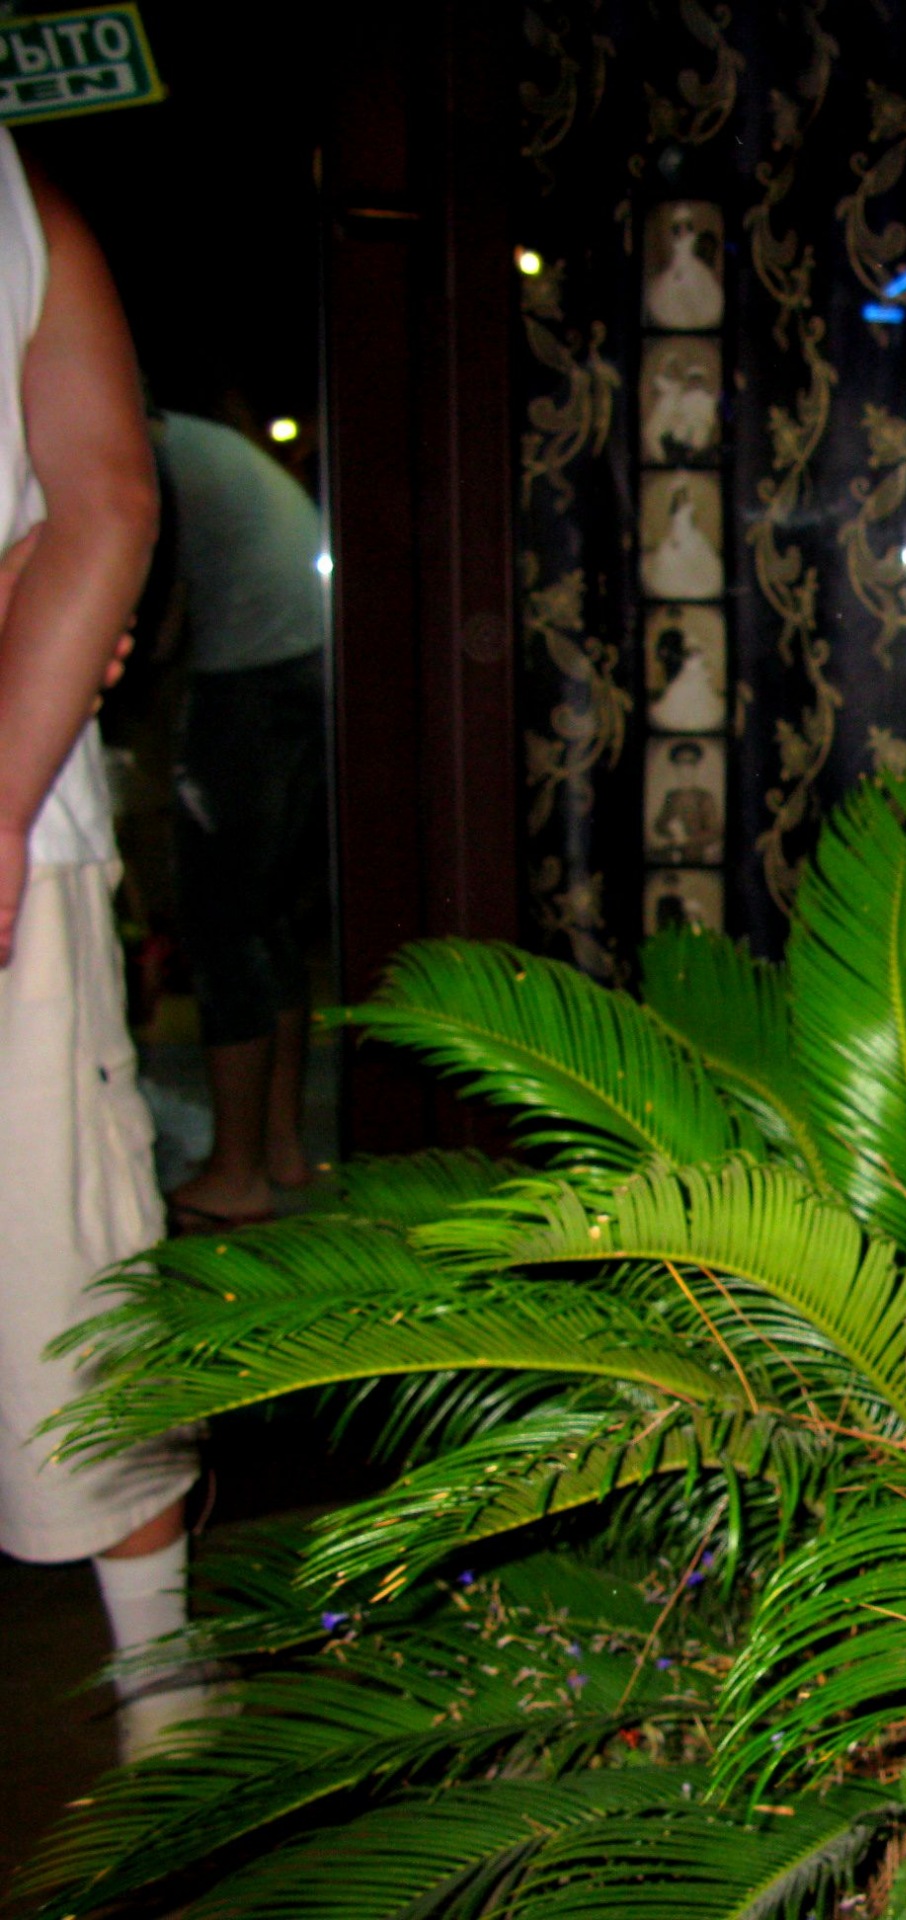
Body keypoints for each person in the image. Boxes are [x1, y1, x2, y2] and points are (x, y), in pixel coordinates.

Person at [0, 130, 203, 1759]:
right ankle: (167, 1694)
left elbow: (107, 516)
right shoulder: (22, 203)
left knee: (71, 1280)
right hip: (24, 820)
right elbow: (106, 501)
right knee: (67, 1275)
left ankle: (170, 1695)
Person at [153, 409, 329, 1233]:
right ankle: (279, 1148)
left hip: (252, 679)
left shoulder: (145, 454)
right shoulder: (199, 445)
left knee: (220, 924)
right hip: (305, 663)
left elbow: (152, 620)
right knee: (263, 916)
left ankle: (236, 1171)